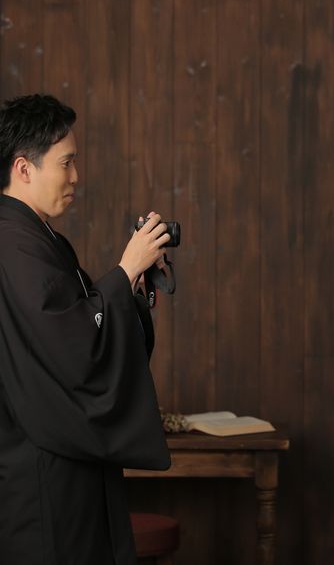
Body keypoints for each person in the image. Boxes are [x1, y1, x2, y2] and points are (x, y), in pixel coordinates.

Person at [0, 94, 172, 565]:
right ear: (24, 168)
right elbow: (73, 346)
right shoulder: (14, 244)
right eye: (66, 162)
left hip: (58, 461)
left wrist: (130, 286)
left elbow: (79, 322)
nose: (76, 175)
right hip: (41, 471)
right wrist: (123, 270)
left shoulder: (38, 240)